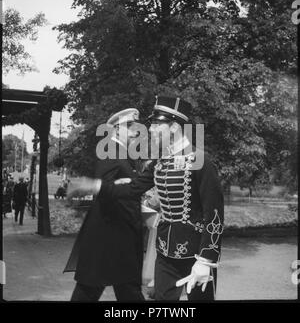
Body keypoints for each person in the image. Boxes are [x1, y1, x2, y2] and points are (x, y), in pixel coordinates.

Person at [68, 95, 224, 301]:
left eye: (157, 124)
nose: (150, 130)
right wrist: (96, 185)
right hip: (165, 255)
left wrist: (206, 259)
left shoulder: (200, 160)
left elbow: (214, 214)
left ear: (174, 127)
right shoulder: (160, 162)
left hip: (195, 255)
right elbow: (132, 189)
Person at [64, 108, 146, 302]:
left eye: (136, 126)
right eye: (129, 126)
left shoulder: (123, 153)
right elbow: (105, 189)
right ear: (116, 130)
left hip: (118, 234)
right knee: (94, 288)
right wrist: (116, 187)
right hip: (110, 234)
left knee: (120, 289)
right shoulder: (111, 150)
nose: (136, 131)